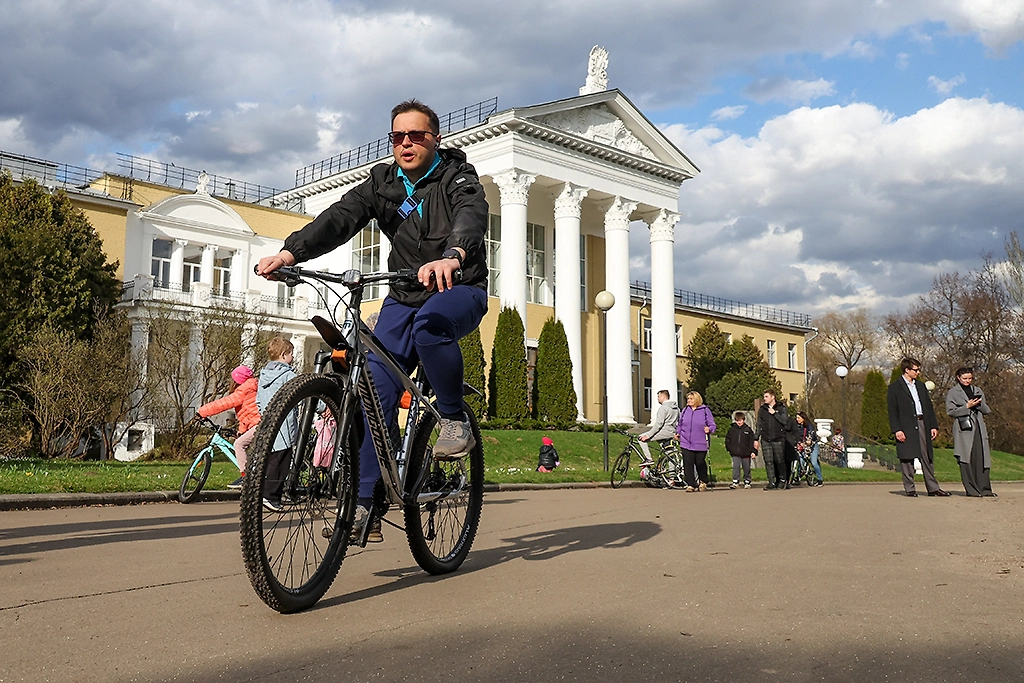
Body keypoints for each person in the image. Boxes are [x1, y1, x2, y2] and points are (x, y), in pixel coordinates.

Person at [257, 100, 489, 541]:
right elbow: (338, 219)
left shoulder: (458, 177)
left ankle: (454, 418)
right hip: (403, 293)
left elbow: (470, 217)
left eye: (416, 135)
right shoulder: (382, 185)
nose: (406, 143)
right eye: (398, 136)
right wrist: (290, 252)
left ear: (434, 139)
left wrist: (452, 255)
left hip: (457, 287)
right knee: (372, 390)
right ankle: (366, 502)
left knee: (431, 326)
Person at [887, 357, 948, 497]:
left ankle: (933, 488)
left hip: (922, 423)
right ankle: (910, 488)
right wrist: (897, 429)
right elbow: (892, 410)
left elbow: (928, 407)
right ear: (907, 370)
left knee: (926, 456)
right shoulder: (895, 388)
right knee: (907, 457)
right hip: (906, 425)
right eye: (915, 370)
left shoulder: (921, 386)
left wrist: (933, 425)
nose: (918, 372)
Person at [196, 365, 260, 490]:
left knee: (239, 445)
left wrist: (202, 412)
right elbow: (247, 414)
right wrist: (241, 431)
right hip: (257, 424)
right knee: (248, 447)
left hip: (258, 425)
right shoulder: (252, 388)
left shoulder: (244, 390)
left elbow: (223, 404)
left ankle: (246, 477)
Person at [256, 337, 298, 513]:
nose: (293, 357)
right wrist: (322, 406)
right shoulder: (288, 375)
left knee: (271, 460)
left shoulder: (264, 375)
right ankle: (272, 496)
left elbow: (258, 401)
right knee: (282, 463)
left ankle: (263, 494)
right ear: (284, 355)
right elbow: (301, 392)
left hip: (268, 423)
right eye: (291, 354)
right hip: (284, 425)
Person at [946, 366, 995, 497]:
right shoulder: (953, 392)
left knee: (982, 458)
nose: (968, 381)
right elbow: (950, 411)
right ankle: (972, 489)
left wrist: (979, 404)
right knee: (966, 458)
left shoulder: (977, 390)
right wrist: (966, 407)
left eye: (970, 378)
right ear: (958, 378)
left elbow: (987, 410)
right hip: (964, 429)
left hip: (978, 427)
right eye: (965, 378)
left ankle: (985, 489)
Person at [674, 391, 716, 492]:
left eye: (691, 399)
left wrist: (709, 429)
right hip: (686, 441)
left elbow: (712, 424)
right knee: (688, 463)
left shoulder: (705, 410)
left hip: (700, 442)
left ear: (697, 399)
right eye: (688, 399)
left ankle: (703, 481)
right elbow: (680, 424)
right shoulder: (685, 410)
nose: (689, 401)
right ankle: (690, 484)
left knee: (699, 462)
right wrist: (677, 432)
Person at [754, 389, 790, 490]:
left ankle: (783, 479)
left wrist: (775, 413)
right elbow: (759, 424)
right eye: (764, 396)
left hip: (778, 438)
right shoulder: (762, 409)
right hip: (766, 438)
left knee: (779, 460)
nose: (764, 398)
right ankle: (771, 482)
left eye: (766, 396)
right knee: (768, 461)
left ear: (772, 397)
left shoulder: (781, 407)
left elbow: (785, 421)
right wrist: (756, 438)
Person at [634, 389, 680, 465]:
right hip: (672, 432)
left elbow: (659, 424)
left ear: (663, 396)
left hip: (663, 432)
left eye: (658, 396)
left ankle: (649, 459)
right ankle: (672, 475)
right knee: (669, 453)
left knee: (641, 438)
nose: (657, 399)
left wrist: (647, 436)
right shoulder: (676, 408)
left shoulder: (663, 408)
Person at [724, 411, 756, 489]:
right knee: (736, 467)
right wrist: (730, 449)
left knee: (747, 468)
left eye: (740, 420)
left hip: (746, 453)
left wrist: (753, 451)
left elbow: (752, 441)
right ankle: (735, 481)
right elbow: (728, 440)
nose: (739, 422)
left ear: (744, 420)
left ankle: (747, 481)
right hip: (735, 452)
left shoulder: (748, 430)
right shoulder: (732, 429)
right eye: (737, 420)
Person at [794, 412, 823, 487]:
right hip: (803, 446)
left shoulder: (809, 426)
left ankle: (820, 479)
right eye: (796, 418)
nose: (797, 420)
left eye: (799, 418)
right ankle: (798, 477)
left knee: (814, 462)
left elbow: (812, 434)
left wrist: (809, 441)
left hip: (812, 445)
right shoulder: (797, 426)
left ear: (803, 418)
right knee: (801, 460)